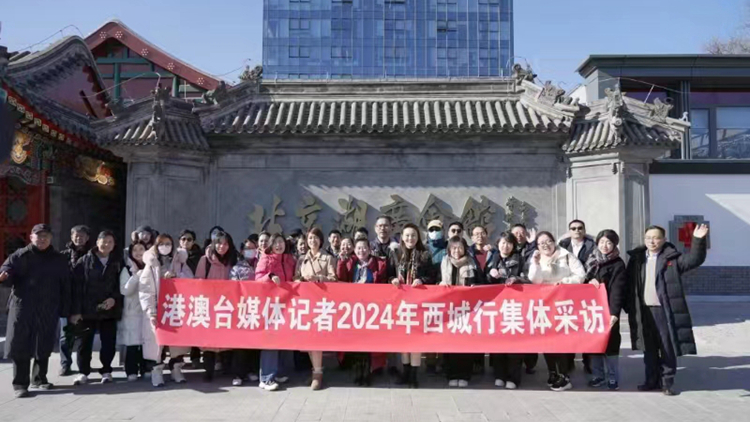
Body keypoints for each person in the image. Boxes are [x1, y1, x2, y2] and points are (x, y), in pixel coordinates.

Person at [626, 224, 708, 396]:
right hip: (644, 311)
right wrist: (629, 307)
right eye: (649, 238)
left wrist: (698, 240)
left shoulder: (672, 259)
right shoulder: (637, 259)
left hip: (664, 311)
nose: (652, 241)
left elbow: (694, 260)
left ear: (664, 240)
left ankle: (667, 382)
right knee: (648, 349)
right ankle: (651, 380)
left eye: (656, 238)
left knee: (667, 348)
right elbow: (628, 284)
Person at [1, 224, 73, 398]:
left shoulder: (58, 259)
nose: (42, 239)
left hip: (48, 306)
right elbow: (7, 270)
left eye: (45, 236)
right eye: (38, 236)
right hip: (23, 307)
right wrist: (4, 276)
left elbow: (66, 285)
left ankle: (39, 378)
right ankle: (20, 384)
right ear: (31, 237)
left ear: (51, 239)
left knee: (44, 342)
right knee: (20, 344)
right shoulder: (20, 255)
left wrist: (67, 309)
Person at [528, 231, 585, 392]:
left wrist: (564, 282)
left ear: (554, 242)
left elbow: (580, 275)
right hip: (545, 305)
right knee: (547, 341)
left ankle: (564, 376)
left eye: (548, 241)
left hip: (564, 304)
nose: (545, 245)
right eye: (541, 243)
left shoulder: (566, 256)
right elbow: (534, 280)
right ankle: (553, 372)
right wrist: (535, 264)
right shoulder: (537, 258)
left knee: (561, 342)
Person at [139, 234, 191, 387]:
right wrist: (150, 311)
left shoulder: (179, 261)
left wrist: (177, 276)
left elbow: (190, 280)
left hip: (175, 308)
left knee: (176, 343)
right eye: (161, 244)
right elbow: (145, 289)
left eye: (168, 243)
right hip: (157, 308)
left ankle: (176, 369)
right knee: (157, 343)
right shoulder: (151, 263)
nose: (165, 247)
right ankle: (157, 371)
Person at [72, 230, 123, 386]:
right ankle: (83, 372)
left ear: (114, 245)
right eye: (104, 241)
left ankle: (106, 370)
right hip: (87, 308)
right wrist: (76, 311)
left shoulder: (118, 262)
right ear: (97, 242)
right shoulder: (84, 261)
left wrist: (114, 299)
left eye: (110, 242)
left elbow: (121, 285)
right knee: (84, 342)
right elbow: (76, 287)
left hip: (109, 309)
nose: (106, 244)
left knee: (108, 342)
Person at [336, 237, 388, 385]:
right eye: (358, 248)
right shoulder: (351, 263)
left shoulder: (379, 264)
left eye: (364, 248)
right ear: (354, 250)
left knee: (369, 343)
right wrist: (341, 262)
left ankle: (368, 373)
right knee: (357, 343)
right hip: (354, 308)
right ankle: (358, 373)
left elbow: (383, 284)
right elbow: (341, 279)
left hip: (372, 309)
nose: (361, 251)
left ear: (369, 249)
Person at [389, 223, 433, 388]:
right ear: (402, 237)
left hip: (418, 303)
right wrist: (392, 280)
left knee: (415, 340)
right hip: (400, 303)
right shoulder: (396, 253)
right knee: (403, 340)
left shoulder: (425, 254)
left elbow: (432, 276)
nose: (410, 238)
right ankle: (405, 373)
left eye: (413, 235)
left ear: (418, 237)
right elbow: (388, 274)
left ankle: (414, 376)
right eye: (407, 235)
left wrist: (422, 280)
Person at [584, 229, 627, 391]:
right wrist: (589, 280)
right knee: (595, 343)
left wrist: (614, 313)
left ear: (614, 244)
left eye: (609, 242)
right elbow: (583, 279)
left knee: (611, 345)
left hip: (608, 310)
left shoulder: (618, 264)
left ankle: (613, 377)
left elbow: (618, 290)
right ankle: (598, 376)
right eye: (602, 242)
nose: (605, 246)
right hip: (591, 310)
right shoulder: (591, 259)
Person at [295, 227, 338, 390]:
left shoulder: (327, 258)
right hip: (305, 303)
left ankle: (317, 374)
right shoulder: (302, 259)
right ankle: (315, 369)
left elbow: (334, 279)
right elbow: (295, 277)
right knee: (307, 340)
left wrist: (318, 278)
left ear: (321, 241)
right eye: (310, 238)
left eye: (315, 238)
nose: (312, 241)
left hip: (320, 303)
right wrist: (299, 280)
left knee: (316, 339)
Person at [255, 233, 297, 391]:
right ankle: (266, 378)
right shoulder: (266, 259)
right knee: (270, 340)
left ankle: (279, 372)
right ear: (271, 245)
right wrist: (270, 276)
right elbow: (257, 279)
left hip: (287, 303)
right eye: (276, 243)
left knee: (284, 338)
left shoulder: (289, 260)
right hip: (270, 305)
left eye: (281, 242)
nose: (279, 245)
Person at [196, 231, 238, 382]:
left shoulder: (233, 260)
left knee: (227, 338)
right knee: (209, 341)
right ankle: (208, 371)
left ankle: (226, 368)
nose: (222, 247)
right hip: (210, 305)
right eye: (219, 243)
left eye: (226, 244)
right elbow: (198, 281)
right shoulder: (205, 260)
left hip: (227, 305)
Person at [485, 231, 525, 390]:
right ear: (498, 244)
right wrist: (490, 275)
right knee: (497, 342)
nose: (505, 246)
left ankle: (513, 377)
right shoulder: (493, 258)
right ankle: (499, 374)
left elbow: (528, 278)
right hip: (496, 305)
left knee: (514, 343)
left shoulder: (520, 259)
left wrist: (516, 279)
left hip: (515, 305)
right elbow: (484, 280)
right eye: (503, 243)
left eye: (509, 243)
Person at [558, 220, 596, 374]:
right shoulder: (562, 245)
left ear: (584, 230)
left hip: (586, 291)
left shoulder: (592, 245)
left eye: (580, 228)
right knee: (568, 325)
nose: (577, 231)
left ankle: (588, 362)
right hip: (567, 292)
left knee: (586, 326)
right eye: (573, 228)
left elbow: (595, 265)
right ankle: (568, 361)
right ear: (569, 231)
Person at [439, 236, 478, 388]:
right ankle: (451, 374)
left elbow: (480, 281)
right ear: (449, 249)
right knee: (449, 343)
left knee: (465, 343)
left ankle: (464, 374)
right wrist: (440, 283)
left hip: (467, 309)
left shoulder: (471, 262)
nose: (457, 251)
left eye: (460, 247)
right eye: (454, 248)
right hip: (448, 309)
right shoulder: (444, 262)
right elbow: (435, 280)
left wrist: (475, 286)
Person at [58, 224, 91, 376]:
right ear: (71, 237)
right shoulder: (63, 256)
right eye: (76, 236)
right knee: (66, 335)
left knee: (85, 336)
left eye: (82, 236)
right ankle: (65, 364)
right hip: (66, 301)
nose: (79, 238)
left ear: (87, 238)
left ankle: (84, 366)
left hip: (85, 301)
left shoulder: (92, 255)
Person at [228, 235, 261, 386]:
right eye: (247, 248)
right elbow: (232, 287)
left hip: (258, 307)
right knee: (240, 343)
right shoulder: (237, 268)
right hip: (241, 307)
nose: (250, 251)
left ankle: (251, 370)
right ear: (242, 251)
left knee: (255, 342)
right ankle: (238, 373)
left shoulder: (260, 265)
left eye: (253, 248)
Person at [118, 242, 148, 381]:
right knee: (132, 343)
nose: (138, 252)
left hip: (147, 310)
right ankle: (131, 370)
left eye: (141, 249)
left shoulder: (151, 267)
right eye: (135, 250)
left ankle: (146, 368)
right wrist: (136, 276)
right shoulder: (127, 269)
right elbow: (124, 290)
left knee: (146, 342)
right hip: (132, 311)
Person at [424, 219, 447, 374]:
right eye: (431, 229)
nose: (434, 232)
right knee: (430, 328)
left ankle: (443, 361)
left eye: (437, 229)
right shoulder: (424, 248)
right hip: (427, 293)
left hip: (444, 293)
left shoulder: (448, 247)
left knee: (444, 328)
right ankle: (430, 361)